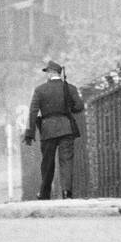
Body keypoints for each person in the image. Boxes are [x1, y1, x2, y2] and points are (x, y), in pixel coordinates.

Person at [23, 60, 83, 200]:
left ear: (50, 73)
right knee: (66, 161)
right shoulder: (70, 88)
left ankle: (44, 193)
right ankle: (67, 192)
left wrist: (30, 133)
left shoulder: (40, 90)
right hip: (66, 128)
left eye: (47, 72)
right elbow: (79, 106)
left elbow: (33, 112)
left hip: (48, 129)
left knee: (48, 163)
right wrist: (69, 108)